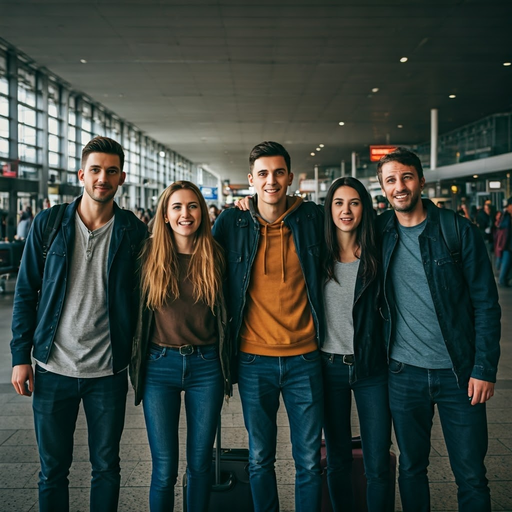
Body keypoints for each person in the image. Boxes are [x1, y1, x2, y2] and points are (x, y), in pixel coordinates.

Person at [10, 136, 148, 512]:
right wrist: (20, 356)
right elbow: (26, 293)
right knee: (52, 470)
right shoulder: (50, 223)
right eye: (96, 170)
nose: (103, 178)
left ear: (121, 178)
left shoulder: (133, 232)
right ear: (81, 174)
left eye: (111, 171)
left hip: (108, 370)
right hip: (54, 367)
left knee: (106, 467)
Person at [376, 147, 501, 512]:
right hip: (403, 373)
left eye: (406, 177)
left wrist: (483, 368)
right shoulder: (380, 230)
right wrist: (249, 202)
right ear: (383, 189)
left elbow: (486, 304)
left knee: (471, 473)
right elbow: (330, 215)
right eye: (391, 181)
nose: (399, 186)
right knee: (412, 468)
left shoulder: (457, 229)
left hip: (458, 374)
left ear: (421, 180)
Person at [212, 141, 325, 512]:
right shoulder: (232, 221)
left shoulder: (312, 219)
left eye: (278, 173)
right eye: (263, 174)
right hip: (253, 359)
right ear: (251, 179)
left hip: (305, 358)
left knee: (308, 459)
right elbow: (203, 268)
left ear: (290, 177)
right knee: (260, 457)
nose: (271, 181)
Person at [130, 181, 231, 512]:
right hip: (159, 365)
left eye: (192, 206)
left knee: (200, 465)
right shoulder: (147, 254)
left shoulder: (216, 254)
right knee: (164, 469)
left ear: (202, 212)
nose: (185, 214)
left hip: (207, 367)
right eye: (177, 207)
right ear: (165, 214)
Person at [321, 177, 392, 511]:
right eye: (338, 203)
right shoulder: (316, 254)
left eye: (354, 203)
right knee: (336, 458)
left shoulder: (378, 253)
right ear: (329, 208)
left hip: (370, 368)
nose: (346, 210)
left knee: (377, 461)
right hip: (327, 368)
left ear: (365, 207)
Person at [497, 197, 512, 287]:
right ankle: (502, 280)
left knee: (507, 263)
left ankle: (505, 279)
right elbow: (502, 226)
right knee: (506, 262)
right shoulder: (506, 216)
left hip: (508, 243)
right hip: (507, 244)